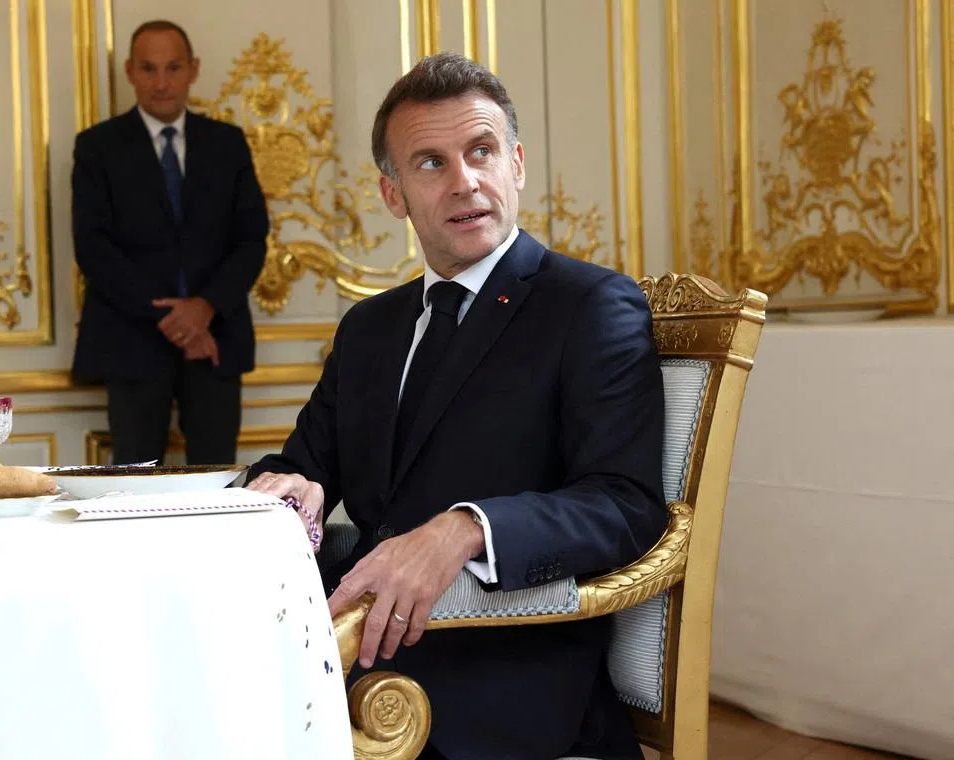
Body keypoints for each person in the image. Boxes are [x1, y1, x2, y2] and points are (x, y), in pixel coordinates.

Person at [246, 52, 666, 760]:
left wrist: (466, 528)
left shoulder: (588, 305)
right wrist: (290, 488)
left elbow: (625, 505)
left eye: (482, 151)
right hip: (345, 660)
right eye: (431, 163)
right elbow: (301, 464)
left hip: (501, 683)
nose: (465, 180)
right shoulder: (369, 327)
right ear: (394, 194)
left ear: (516, 164)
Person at [71, 20, 269, 466]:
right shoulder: (97, 147)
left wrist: (205, 308)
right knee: (135, 479)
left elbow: (251, 239)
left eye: (173, 68)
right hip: (131, 340)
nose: (161, 82)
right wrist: (175, 319)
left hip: (216, 337)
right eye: (149, 69)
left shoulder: (228, 143)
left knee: (216, 477)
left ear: (193, 69)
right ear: (130, 71)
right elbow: (93, 247)